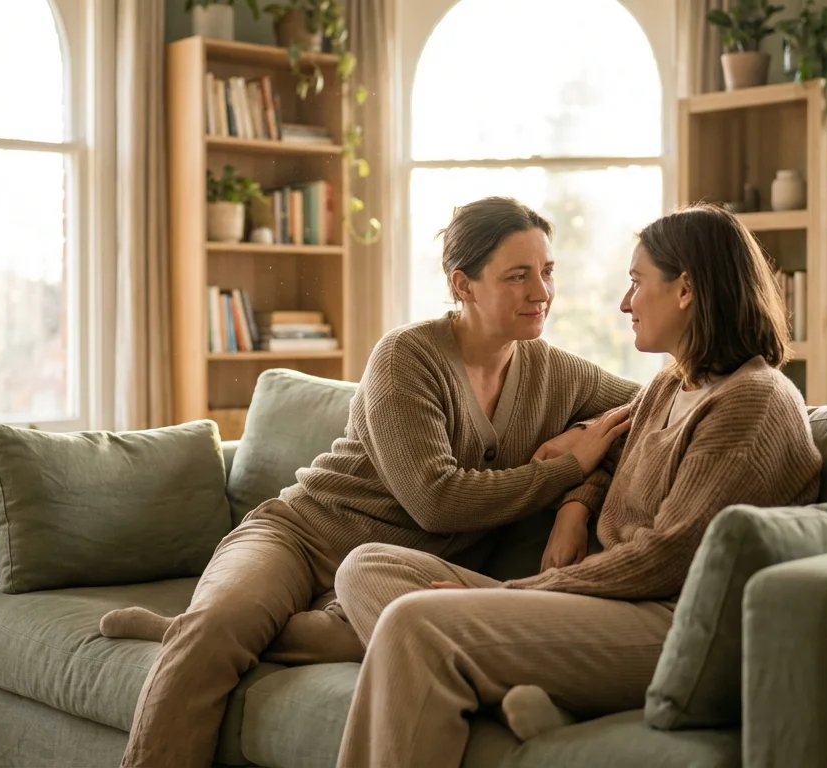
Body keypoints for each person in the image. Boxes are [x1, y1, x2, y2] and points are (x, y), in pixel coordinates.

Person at [114, 196, 642, 768]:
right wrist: (566, 467)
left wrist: (578, 495)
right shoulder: (406, 357)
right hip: (303, 538)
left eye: (547, 271)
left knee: (379, 634)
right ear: (462, 284)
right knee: (218, 630)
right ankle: (205, 626)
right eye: (518, 276)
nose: (541, 292)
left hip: (383, 577)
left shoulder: (556, 370)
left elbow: (651, 409)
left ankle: (195, 626)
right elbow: (436, 501)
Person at [330, 202, 825, 768]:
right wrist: (575, 506)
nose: (624, 302)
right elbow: (613, 450)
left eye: (637, 282)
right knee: (369, 566)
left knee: (417, 623)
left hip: (669, 619)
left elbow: (671, 557)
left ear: (685, 289)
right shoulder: (671, 385)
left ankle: (486, 674)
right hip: (612, 602)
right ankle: (530, 692)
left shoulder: (750, 403)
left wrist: (512, 597)